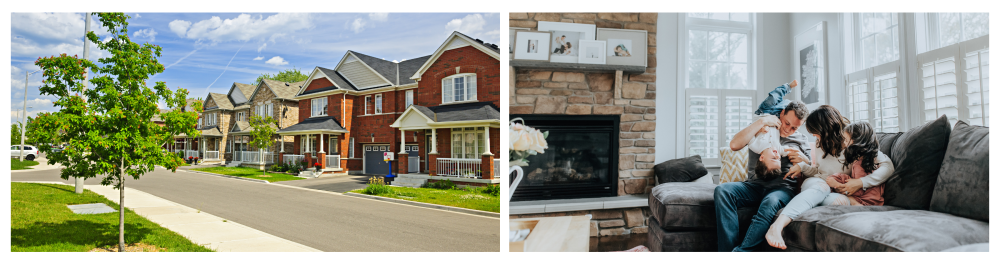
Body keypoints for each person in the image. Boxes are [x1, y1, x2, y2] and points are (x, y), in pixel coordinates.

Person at [714, 100, 811, 252]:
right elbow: (734, 145)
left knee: (770, 201)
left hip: (782, 188)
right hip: (754, 185)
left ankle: (741, 253)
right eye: (786, 123)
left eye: (795, 128)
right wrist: (762, 121)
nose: (788, 130)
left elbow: (810, 169)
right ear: (782, 113)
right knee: (722, 191)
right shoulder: (763, 128)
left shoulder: (801, 140)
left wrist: (804, 161)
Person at [763, 105, 854, 250]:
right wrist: (803, 167)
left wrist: (859, 182)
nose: (814, 137)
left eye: (815, 132)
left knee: (840, 202)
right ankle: (777, 226)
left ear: (826, 128)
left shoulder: (853, 140)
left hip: (835, 190)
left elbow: (886, 164)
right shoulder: (820, 142)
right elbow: (816, 170)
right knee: (822, 187)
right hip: (816, 182)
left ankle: (801, 205)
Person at [822, 121, 894, 206]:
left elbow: (889, 168)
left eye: (846, 140)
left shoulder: (872, 155)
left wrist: (860, 182)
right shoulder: (855, 155)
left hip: (867, 196)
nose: (844, 144)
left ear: (857, 140)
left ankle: (855, 203)